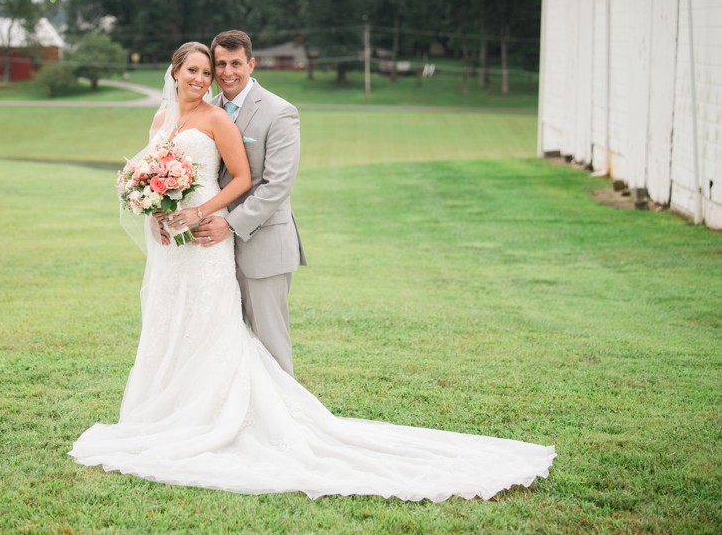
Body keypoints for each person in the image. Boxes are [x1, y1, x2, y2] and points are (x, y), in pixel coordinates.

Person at [69, 41, 556, 501]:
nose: (208, 75)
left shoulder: (236, 115)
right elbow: (151, 176)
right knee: (171, 321)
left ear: (251, 64)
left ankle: (275, 423)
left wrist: (202, 215)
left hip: (222, 233)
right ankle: (170, 408)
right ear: (175, 72)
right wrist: (156, 211)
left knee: (237, 331)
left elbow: (256, 181)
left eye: (213, 67)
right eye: (199, 68)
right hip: (175, 245)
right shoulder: (166, 115)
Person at [191, 30, 305, 378]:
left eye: (236, 63)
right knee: (227, 343)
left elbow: (277, 185)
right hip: (215, 251)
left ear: (251, 64)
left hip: (264, 245)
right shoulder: (207, 110)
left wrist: (230, 222)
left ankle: (287, 421)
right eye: (220, 64)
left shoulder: (279, 111)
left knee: (271, 343)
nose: (227, 72)